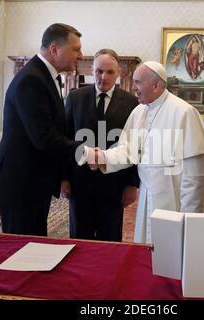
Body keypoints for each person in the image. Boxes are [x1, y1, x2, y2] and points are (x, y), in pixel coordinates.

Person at [86, 61, 204, 244]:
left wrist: (190, 217)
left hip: (175, 199)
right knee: (148, 253)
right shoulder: (139, 111)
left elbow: (195, 177)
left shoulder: (184, 112)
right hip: (148, 195)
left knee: (177, 251)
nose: (133, 88)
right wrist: (102, 157)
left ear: (156, 85)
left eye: (138, 82)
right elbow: (127, 151)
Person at [0, 23, 83, 236]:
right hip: (20, 185)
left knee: (33, 247)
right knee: (20, 255)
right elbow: (45, 138)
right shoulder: (32, 79)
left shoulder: (43, 76)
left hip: (33, 183)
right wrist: (86, 151)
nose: (80, 54)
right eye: (76, 49)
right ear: (54, 49)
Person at [61, 49, 139, 241]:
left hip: (114, 184)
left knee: (110, 242)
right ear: (92, 70)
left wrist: (132, 184)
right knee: (79, 241)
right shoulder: (74, 98)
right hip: (79, 183)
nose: (103, 77)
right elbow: (64, 140)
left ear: (118, 72)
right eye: (99, 71)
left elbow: (135, 146)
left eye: (110, 72)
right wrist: (63, 178)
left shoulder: (132, 103)